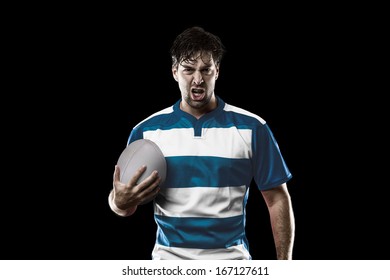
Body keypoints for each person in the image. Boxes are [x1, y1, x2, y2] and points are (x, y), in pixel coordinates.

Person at [108, 26, 295, 260]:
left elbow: (277, 198)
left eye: (206, 69)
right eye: (188, 69)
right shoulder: (146, 131)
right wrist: (118, 202)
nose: (198, 79)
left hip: (232, 265)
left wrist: (285, 268)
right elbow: (123, 205)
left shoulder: (253, 128)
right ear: (174, 71)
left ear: (217, 72)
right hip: (168, 265)